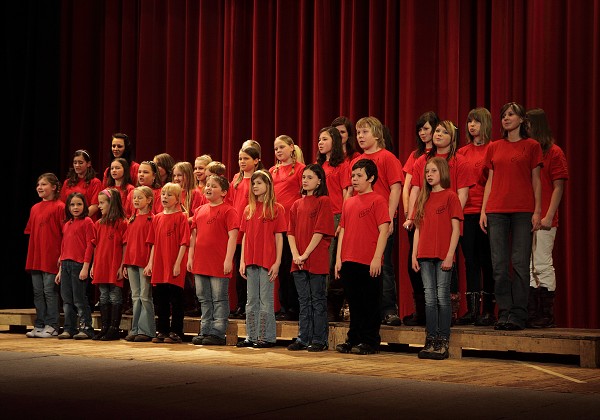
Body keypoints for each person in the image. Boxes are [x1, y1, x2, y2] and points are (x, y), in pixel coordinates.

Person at [480, 102, 543, 331]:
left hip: (522, 211)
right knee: (498, 264)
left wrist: (537, 211)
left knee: (519, 263)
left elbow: (536, 180)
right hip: (496, 210)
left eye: (511, 115)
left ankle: (518, 313)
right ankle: (504, 311)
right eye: (503, 115)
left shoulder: (532, 146)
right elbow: (490, 181)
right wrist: (484, 210)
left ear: (521, 120)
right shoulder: (494, 147)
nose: (506, 118)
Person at [406, 120, 473, 324]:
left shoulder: (460, 161)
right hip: (426, 218)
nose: (438, 134)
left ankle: (448, 315)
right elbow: (415, 189)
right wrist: (411, 216)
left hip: (448, 220)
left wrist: (450, 215)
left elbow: (462, 193)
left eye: (444, 132)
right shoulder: (422, 160)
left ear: (452, 138)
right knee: (421, 267)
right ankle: (425, 315)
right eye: (437, 131)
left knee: (447, 268)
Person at [351, 117, 403, 326]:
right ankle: (367, 310)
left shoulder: (387, 158)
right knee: (361, 266)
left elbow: (396, 188)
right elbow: (352, 192)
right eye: (358, 133)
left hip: (381, 220)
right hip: (361, 222)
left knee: (384, 264)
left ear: (377, 134)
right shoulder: (357, 161)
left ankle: (388, 309)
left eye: (365, 132)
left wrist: (389, 218)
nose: (360, 136)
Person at [335, 159, 390, 355]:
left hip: (368, 260)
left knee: (370, 303)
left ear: (371, 178)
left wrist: (377, 258)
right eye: (353, 176)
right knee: (354, 303)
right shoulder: (349, 202)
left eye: (359, 176)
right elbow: (342, 230)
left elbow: (384, 230)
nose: (355, 179)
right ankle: (353, 339)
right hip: (349, 259)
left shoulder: (378, 200)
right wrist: (339, 259)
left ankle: (370, 341)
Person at [412, 157, 463, 360]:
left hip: (443, 255)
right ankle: (431, 339)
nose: (429, 175)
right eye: (427, 172)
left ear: (442, 172)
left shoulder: (451, 197)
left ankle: (443, 340)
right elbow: (417, 229)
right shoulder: (422, 198)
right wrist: (414, 254)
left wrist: (450, 255)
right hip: (424, 255)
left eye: (433, 171)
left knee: (442, 297)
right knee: (430, 299)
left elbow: (456, 229)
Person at [526, 108, 569, 328]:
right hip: (527, 216)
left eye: (528, 124)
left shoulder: (554, 152)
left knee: (542, 263)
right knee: (529, 266)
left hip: (545, 218)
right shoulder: (528, 151)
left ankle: (546, 314)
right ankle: (533, 312)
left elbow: (558, 186)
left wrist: (549, 215)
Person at [287, 164, 334, 352]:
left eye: (310, 177)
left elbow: (320, 231)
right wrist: (295, 255)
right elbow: (290, 232)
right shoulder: (296, 204)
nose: (305, 180)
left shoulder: (323, 201)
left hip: (315, 258)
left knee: (317, 300)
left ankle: (319, 339)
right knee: (304, 301)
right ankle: (303, 337)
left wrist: (305, 254)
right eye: (304, 177)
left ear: (319, 181)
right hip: (298, 259)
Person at [236, 170, 286, 348]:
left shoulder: (276, 209)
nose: (255, 186)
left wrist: (277, 262)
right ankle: (251, 335)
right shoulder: (248, 209)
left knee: (266, 299)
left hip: (267, 260)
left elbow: (279, 237)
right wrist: (242, 261)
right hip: (250, 260)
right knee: (251, 300)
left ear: (268, 185)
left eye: (259, 183)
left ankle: (266, 337)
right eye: (253, 183)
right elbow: (244, 236)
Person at [188, 175, 239, 346]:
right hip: (201, 262)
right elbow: (193, 237)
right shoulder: (199, 210)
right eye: (207, 185)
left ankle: (217, 332)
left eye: (214, 186)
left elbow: (233, 237)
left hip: (218, 261)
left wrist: (228, 260)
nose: (208, 188)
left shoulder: (228, 210)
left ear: (224, 192)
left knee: (218, 298)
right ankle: (205, 329)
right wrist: (190, 257)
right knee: (203, 298)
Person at [456, 108, 495, 326]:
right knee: (470, 261)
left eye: (476, 122)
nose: (472, 125)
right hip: (466, 212)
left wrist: (485, 211)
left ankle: (488, 310)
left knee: (487, 261)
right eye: (470, 121)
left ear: (485, 124)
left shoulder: (493, 148)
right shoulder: (462, 152)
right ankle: (472, 310)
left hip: (486, 212)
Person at [401, 111, 438, 326]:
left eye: (427, 128)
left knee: (435, 262)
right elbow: (409, 187)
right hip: (416, 216)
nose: (423, 133)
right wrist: (410, 214)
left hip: (436, 216)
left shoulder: (441, 155)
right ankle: (421, 311)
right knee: (413, 264)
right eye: (420, 129)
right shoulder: (416, 156)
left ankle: (439, 312)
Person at [145, 182, 190, 343]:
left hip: (174, 263)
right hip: (160, 263)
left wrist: (178, 263)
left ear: (177, 199)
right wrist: (150, 263)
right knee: (161, 299)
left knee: (176, 299)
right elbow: (153, 243)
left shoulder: (181, 217)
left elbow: (184, 242)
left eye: (169, 195)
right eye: (163, 194)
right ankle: (162, 330)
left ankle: (176, 331)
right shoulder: (157, 218)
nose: (165, 197)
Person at [316, 126, 351, 321]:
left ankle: (332, 308)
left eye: (325, 139)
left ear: (335, 142)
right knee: (320, 263)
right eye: (319, 140)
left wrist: (343, 221)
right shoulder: (320, 166)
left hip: (336, 216)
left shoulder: (342, 166)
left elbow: (347, 193)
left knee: (332, 264)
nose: (320, 143)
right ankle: (319, 306)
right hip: (319, 216)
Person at [269, 135, 305, 321]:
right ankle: (283, 306)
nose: (278, 151)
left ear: (292, 147)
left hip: (293, 224)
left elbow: (305, 195)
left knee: (292, 265)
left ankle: (295, 307)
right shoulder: (272, 171)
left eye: (282, 147)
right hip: (276, 224)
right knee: (280, 266)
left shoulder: (300, 169)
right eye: (276, 148)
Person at [24, 173, 64, 338]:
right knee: (38, 292)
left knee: (49, 291)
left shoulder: (60, 207)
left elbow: (65, 233)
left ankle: (52, 325)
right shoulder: (34, 208)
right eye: (38, 185)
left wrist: (61, 255)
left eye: (43, 184)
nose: (39, 187)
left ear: (54, 187)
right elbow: (31, 231)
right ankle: (39, 324)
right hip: (36, 256)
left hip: (51, 256)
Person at [230, 145, 264, 319]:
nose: (242, 162)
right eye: (240, 159)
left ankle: (253, 306)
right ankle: (240, 305)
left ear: (256, 160)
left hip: (252, 229)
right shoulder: (236, 179)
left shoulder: (259, 180)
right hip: (237, 230)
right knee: (239, 271)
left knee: (252, 270)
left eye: (246, 159)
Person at [55, 192, 94, 339]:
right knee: (67, 299)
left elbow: (90, 245)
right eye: (72, 204)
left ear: (84, 205)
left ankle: (86, 328)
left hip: (78, 265)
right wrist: (60, 270)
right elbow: (63, 247)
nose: (75, 207)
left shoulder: (87, 222)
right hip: (65, 265)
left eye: (79, 204)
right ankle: (69, 328)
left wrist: (85, 267)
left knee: (79, 299)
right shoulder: (67, 224)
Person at [90, 188, 127, 341]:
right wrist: (93, 265)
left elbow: (125, 245)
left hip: (114, 264)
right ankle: (105, 327)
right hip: (101, 264)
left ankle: (114, 328)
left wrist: (122, 265)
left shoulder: (122, 223)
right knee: (104, 296)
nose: (99, 206)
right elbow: (95, 245)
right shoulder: (98, 224)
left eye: (102, 203)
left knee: (115, 295)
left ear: (111, 203)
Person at [123, 186, 156, 342]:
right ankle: (135, 328)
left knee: (145, 296)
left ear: (149, 200)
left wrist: (150, 263)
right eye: (134, 198)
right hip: (131, 262)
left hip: (144, 262)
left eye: (139, 197)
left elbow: (153, 243)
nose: (136, 200)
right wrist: (125, 263)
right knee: (135, 296)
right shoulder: (132, 219)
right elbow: (128, 242)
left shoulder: (152, 219)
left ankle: (146, 330)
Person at [60, 149, 102, 220]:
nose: (77, 165)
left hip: (87, 221)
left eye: (80, 163)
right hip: (70, 221)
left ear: (88, 164)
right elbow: (63, 204)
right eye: (75, 163)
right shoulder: (67, 182)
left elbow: (95, 206)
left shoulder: (95, 182)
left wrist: (79, 219)